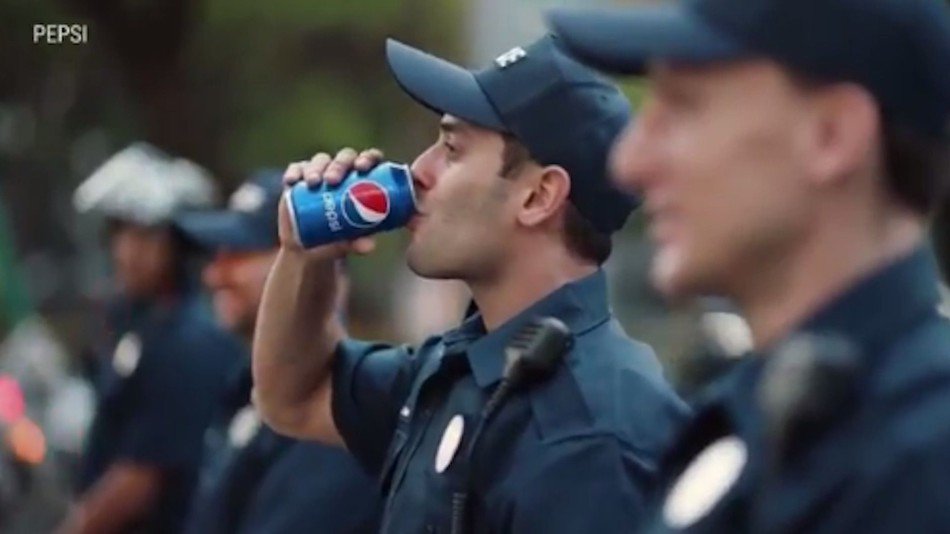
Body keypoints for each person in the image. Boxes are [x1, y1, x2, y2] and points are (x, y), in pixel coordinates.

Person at [252, 35, 689, 533]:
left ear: (538, 197)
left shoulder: (592, 439)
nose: (418, 170)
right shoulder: (462, 367)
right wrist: (305, 256)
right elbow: (293, 397)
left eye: (452, 150)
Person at [549, 0, 950, 531]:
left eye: (683, 107)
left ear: (831, 134)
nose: (629, 163)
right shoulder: (773, 419)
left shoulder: (921, 460)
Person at [174, 169, 380, 534]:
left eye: (240, 254)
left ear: (323, 266)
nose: (214, 275)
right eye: (218, 255)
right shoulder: (242, 387)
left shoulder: (343, 411)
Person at [61, 144, 241, 534]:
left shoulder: (190, 341)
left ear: (180, 245)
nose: (126, 252)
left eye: (145, 236)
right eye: (120, 233)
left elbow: (140, 479)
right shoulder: (134, 323)